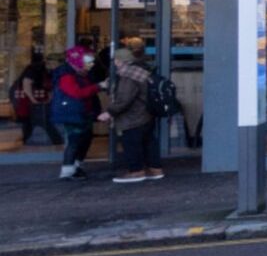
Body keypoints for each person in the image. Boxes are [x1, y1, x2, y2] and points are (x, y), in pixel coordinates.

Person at [104, 45, 163, 183]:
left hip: (133, 116)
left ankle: (136, 171)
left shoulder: (129, 75)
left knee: (131, 143)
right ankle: (155, 169)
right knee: (148, 142)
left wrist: (110, 112)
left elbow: (124, 98)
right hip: (146, 113)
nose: (114, 63)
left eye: (115, 60)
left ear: (119, 61)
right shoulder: (142, 71)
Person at [51, 49, 100, 180]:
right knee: (74, 141)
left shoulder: (79, 73)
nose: (90, 65)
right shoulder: (66, 75)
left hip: (82, 112)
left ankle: (76, 167)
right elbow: (76, 93)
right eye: (88, 62)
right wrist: (98, 86)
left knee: (84, 139)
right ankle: (67, 171)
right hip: (72, 113)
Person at [13, 48, 53, 148]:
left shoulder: (37, 70)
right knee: (32, 122)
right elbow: (26, 85)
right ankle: (27, 139)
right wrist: (34, 101)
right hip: (31, 102)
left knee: (32, 122)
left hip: (34, 101)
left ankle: (27, 140)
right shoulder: (34, 70)